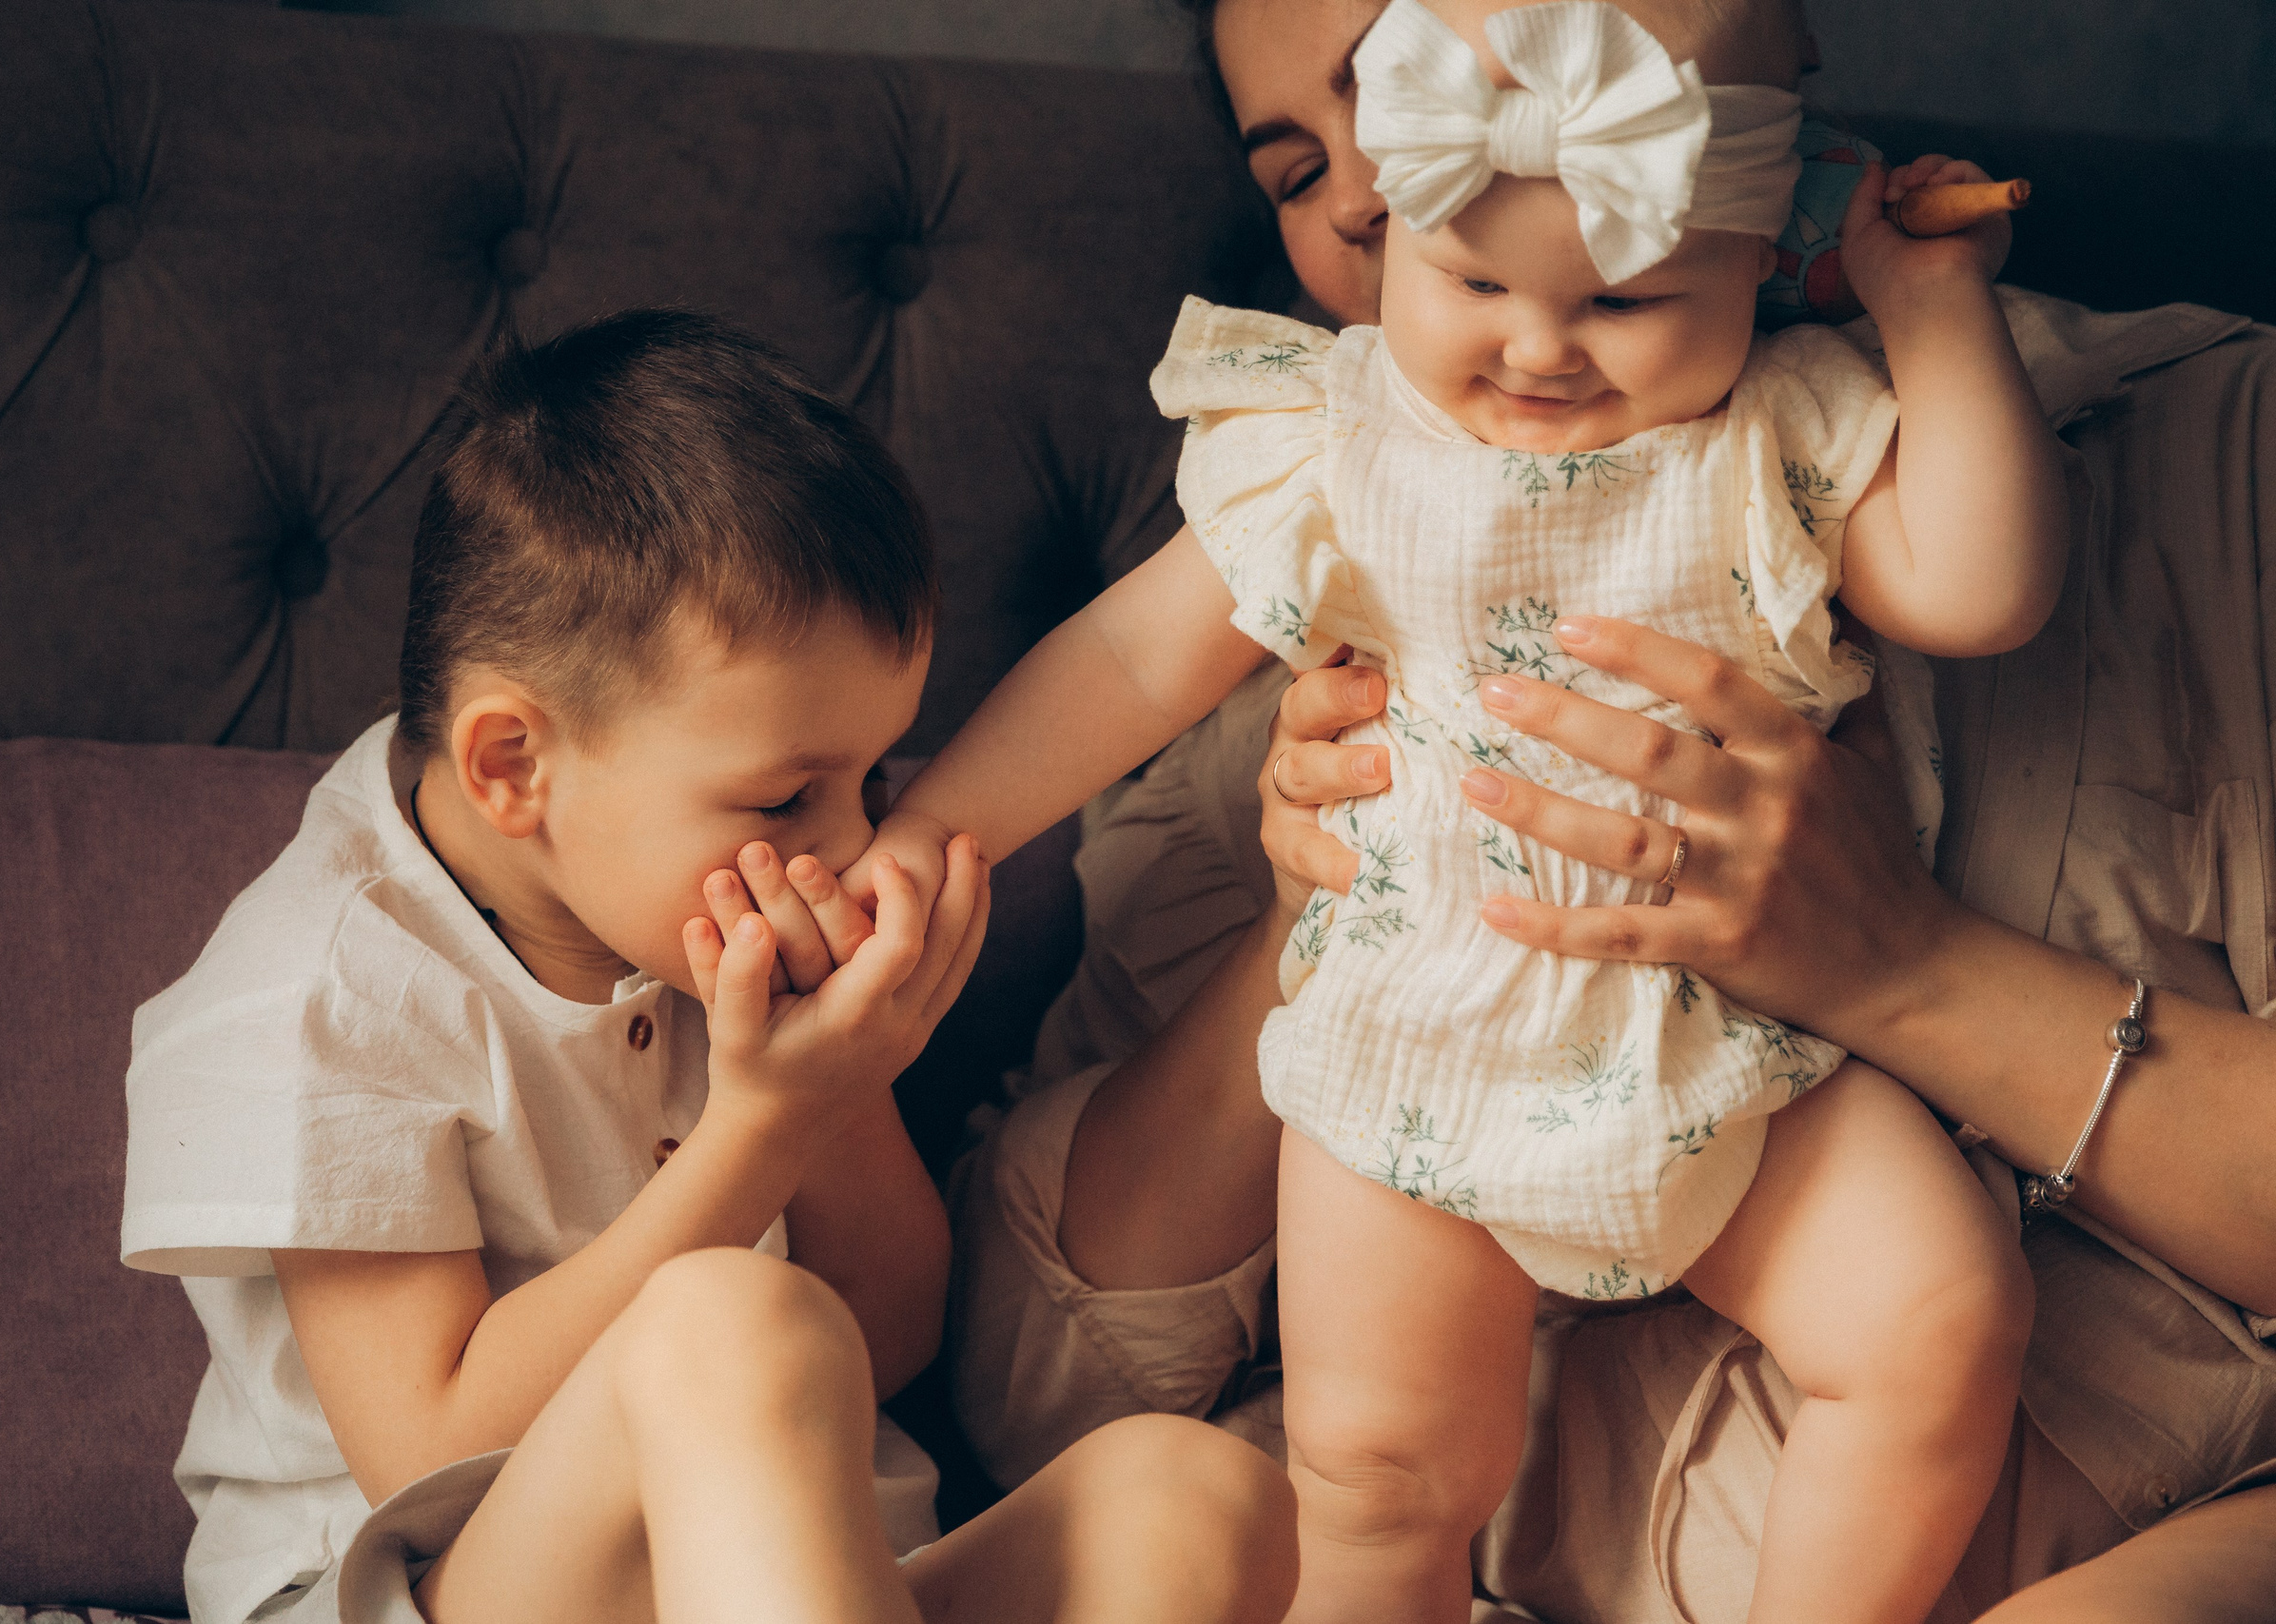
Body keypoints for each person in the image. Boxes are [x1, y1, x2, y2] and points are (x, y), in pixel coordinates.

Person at [942, 0, 2276, 1620]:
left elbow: (1983, 584)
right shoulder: (1325, 452)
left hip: (1720, 1058)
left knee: (1934, 1319)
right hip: (1426, 1031)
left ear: (1768, 233)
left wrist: (1932, 315)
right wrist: (932, 842)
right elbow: (1127, 662)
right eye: (1306, 167)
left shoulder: (1795, 440)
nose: (1365, 189)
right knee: (1377, 1472)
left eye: (1386, 79)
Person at [117, 310, 1298, 1624]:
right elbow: (432, 1448)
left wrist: (843, 1089)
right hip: (443, 1586)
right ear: (515, 767)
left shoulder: (703, 912)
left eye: (877, 778)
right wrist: (759, 1130)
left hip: (794, 1580)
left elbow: (892, 1334)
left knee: (1196, 1499)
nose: (851, 847)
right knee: (731, 1325)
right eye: (789, 796)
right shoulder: (324, 993)